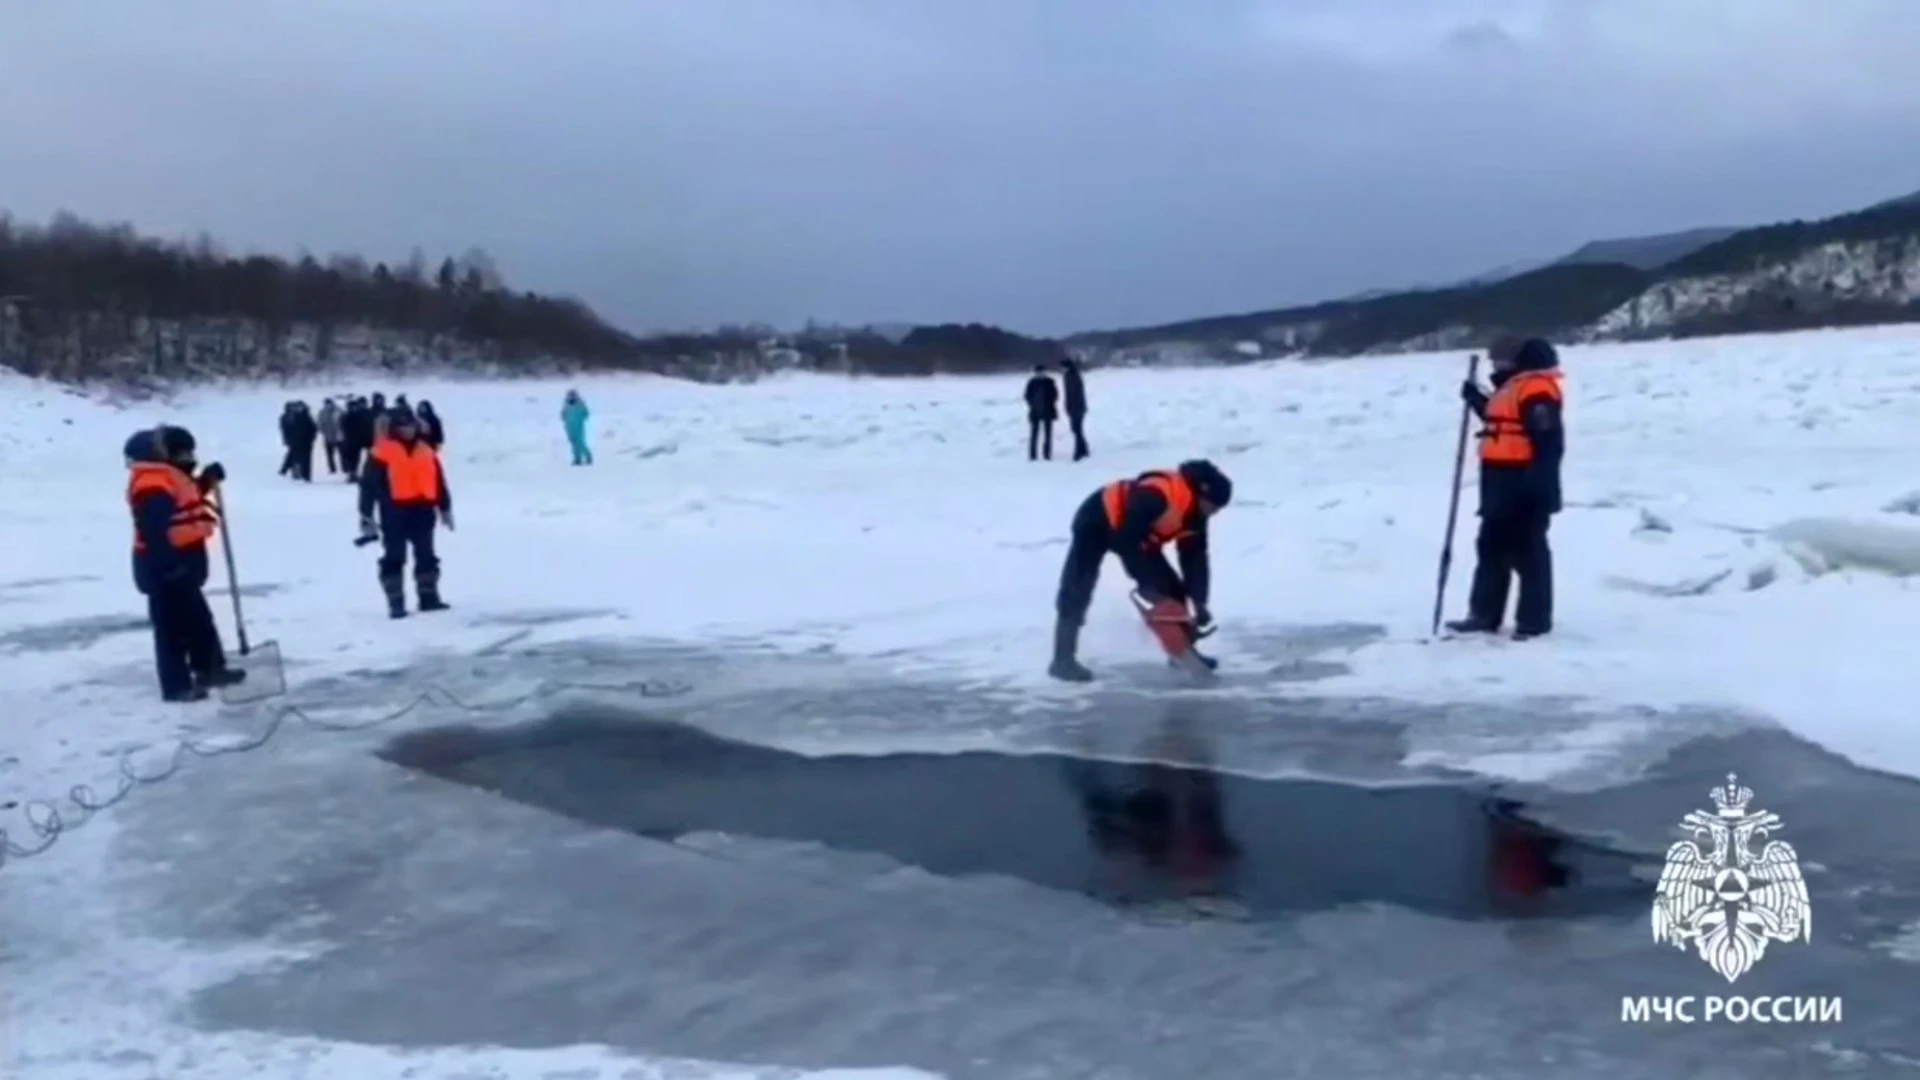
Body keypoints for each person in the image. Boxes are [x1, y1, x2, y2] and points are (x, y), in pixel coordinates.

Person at [1050, 460, 1232, 681]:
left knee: (1172, 588)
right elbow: (1126, 541)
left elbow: (1195, 560)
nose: (1214, 513)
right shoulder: (1158, 495)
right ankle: (1062, 660)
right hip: (1096, 519)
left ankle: (1183, 653)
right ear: (1202, 493)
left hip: (1137, 537)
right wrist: (1147, 584)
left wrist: (1199, 602)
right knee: (1078, 587)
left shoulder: (1196, 516)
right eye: (1213, 507)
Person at [1446, 335, 1564, 639]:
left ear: (1518, 361)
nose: (1494, 365)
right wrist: (1476, 400)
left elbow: (1548, 441)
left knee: (1528, 553)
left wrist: (1538, 484)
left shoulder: (1537, 390)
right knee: (1491, 548)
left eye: (1499, 360)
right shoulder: (1512, 388)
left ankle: (1533, 622)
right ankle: (1484, 614)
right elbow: (1501, 420)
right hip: (1499, 482)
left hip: (1524, 483)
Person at [125, 426, 246, 702]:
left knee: (197, 620)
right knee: (170, 628)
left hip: (183, 561)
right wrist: (168, 565)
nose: (184, 456)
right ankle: (176, 685)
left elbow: (184, 501)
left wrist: (206, 480)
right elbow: (155, 528)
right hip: (163, 565)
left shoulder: (168, 477)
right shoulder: (150, 482)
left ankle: (210, 668)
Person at [357, 405, 453, 618]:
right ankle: (396, 602)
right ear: (394, 428)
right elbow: (368, 486)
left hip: (423, 510)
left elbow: (439, 481)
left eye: (410, 425)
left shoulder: (426, 450)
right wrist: (366, 515)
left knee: (426, 556)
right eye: (402, 426)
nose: (408, 430)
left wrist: (445, 507)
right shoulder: (381, 452)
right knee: (394, 556)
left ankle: (429, 597)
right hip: (394, 511)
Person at [1024, 366, 1059, 461]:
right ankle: (1033, 455)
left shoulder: (1049, 382)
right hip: (1035, 411)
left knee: (1048, 434)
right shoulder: (1031, 383)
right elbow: (1027, 396)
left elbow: (1055, 395)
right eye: (1038, 373)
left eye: (1041, 372)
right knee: (1034, 434)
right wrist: (1032, 404)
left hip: (1048, 411)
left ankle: (1047, 454)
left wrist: (1050, 403)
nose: (1040, 374)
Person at [1061, 358, 1090, 461]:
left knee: (1076, 429)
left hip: (1077, 407)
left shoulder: (1072, 376)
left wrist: (1070, 407)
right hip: (1076, 407)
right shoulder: (1070, 375)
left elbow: (1073, 394)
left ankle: (1078, 452)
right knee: (1077, 429)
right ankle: (1084, 449)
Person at [562, 390, 592, 465]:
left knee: (580, 443)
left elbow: (586, 414)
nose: (571, 397)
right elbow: (563, 414)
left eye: (572, 395)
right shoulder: (566, 405)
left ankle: (588, 457)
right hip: (569, 427)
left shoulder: (580, 404)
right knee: (573, 443)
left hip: (578, 427)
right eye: (569, 396)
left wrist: (581, 418)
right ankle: (577, 459)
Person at [318, 398, 344, 475]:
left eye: (329, 404)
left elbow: (344, 420)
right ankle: (332, 469)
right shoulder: (322, 413)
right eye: (326, 404)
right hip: (328, 437)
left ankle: (344, 467)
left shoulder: (338, 411)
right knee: (329, 455)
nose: (328, 405)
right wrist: (324, 432)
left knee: (342, 453)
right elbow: (320, 424)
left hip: (339, 436)